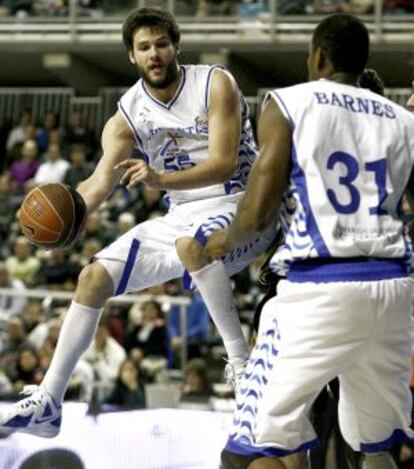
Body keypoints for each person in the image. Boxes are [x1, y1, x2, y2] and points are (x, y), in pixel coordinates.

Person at [0, 7, 275, 438]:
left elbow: (223, 164)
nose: (155, 54)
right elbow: (100, 179)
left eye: (162, 44)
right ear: (132, 55)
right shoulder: (129, 111)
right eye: (144, 47)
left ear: (176, 47)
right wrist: (65, 217)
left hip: (244, 204)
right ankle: (48, 403)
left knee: (189, 246)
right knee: (92, 277)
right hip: (183, 214)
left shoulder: (214, 82)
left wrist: (159, 178)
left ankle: (242, 365)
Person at [205, 14, 414, 469]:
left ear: (317, 56)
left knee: (247, 449)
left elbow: (258, 212)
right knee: (377, 447)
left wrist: (224, 239)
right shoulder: (404, 120)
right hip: (394, 289)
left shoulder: (289, 102)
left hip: (321, 287)